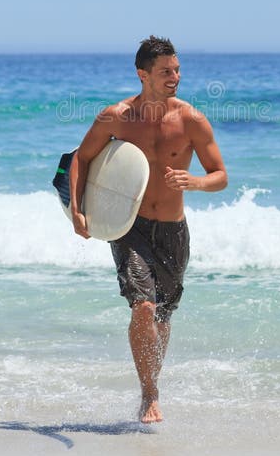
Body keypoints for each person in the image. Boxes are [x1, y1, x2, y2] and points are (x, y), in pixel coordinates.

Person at [70, 35, 228, 423]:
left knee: (162, 316)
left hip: (173, 230)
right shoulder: (117, 116)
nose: (174, 77)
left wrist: (196, 182)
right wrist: (77, 210)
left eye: (177, 70)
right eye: (165, 72)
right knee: (143, 306)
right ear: (142, 74)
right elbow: (81, 159)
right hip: (129, 226)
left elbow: (220, 176)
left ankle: (152, 380)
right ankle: (149, 393)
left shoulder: (190, 119)